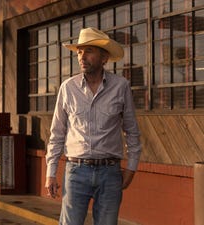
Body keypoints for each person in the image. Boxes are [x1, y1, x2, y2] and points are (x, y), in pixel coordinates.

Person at [45, 27, 142, 225]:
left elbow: (132, 131)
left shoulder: (120, 86)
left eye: (89, 51)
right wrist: (51, 172)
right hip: (76, 171)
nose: (82, 56)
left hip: (110, 172)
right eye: (80, 52)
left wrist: (131, 169)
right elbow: (57, 133)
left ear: (104, 57)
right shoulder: (68, 88)